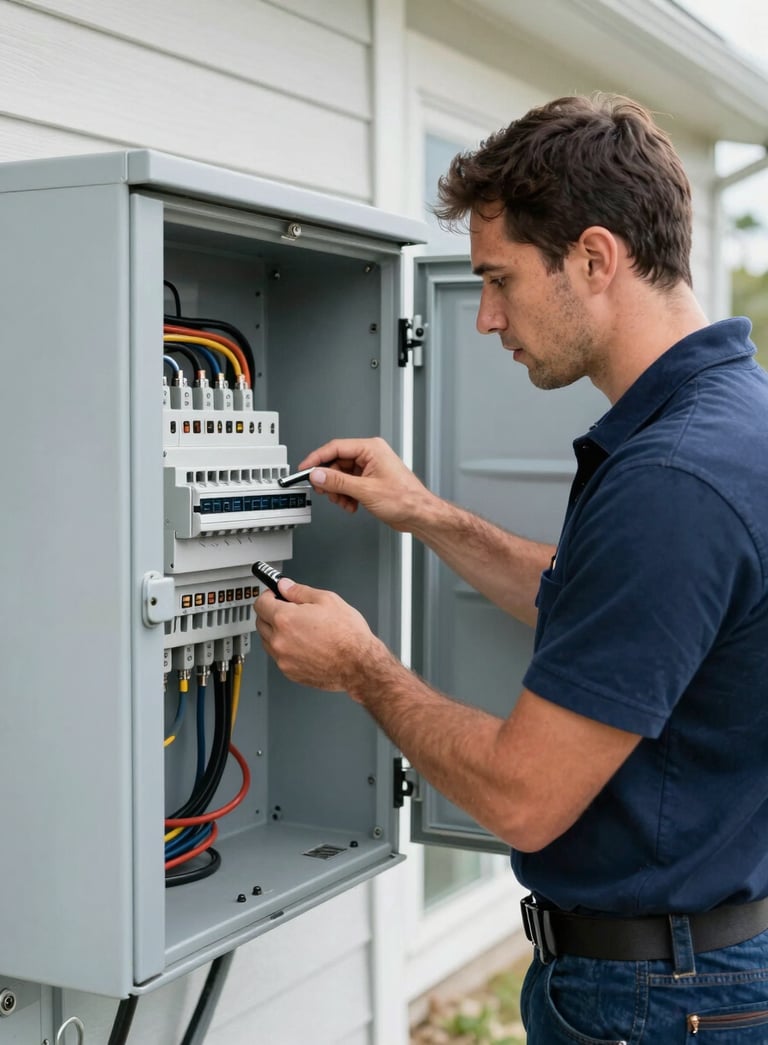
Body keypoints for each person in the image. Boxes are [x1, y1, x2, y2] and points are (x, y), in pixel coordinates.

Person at [255, 94, 768, 1042]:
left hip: (656, 1004)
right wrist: (426, 515)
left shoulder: (673, 481)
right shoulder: (735, 421)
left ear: (595, 258)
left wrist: (362, 665)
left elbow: (523, 797)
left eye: (500, 278)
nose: (485, 317)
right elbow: (614, 616)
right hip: (692, 972)